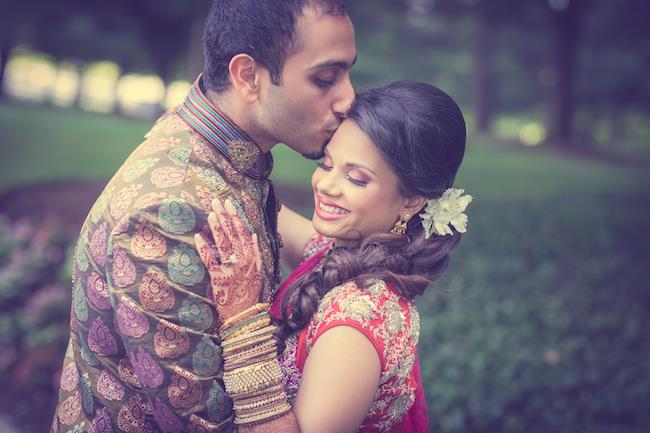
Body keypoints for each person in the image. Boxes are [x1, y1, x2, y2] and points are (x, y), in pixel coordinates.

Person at [51, 0, 356, 431]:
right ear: (248, 76)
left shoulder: (217, 150)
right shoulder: (165, 218)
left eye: (346, 73)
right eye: (325, 78)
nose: (348, 98)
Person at [195, 81, 471, 432]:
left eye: (356, 178)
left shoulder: (352, 328)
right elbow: (262, 208)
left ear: (412, 200)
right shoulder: (344, 254)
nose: (326, 185)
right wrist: (198, 138)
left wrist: (241, 319)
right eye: (327, 164)